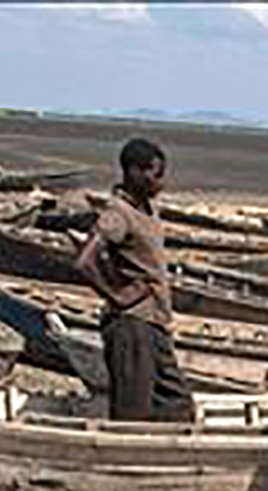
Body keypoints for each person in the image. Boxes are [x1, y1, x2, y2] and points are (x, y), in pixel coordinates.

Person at [74, 138, 192, 423]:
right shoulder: (118, 214)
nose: (161, 182)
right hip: (132, 326)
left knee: (178, 405)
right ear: (133, 172)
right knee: (132, 413)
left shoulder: (147, 209)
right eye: (155, 173)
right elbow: (85, 261)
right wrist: (116, 296)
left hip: (155, 324)